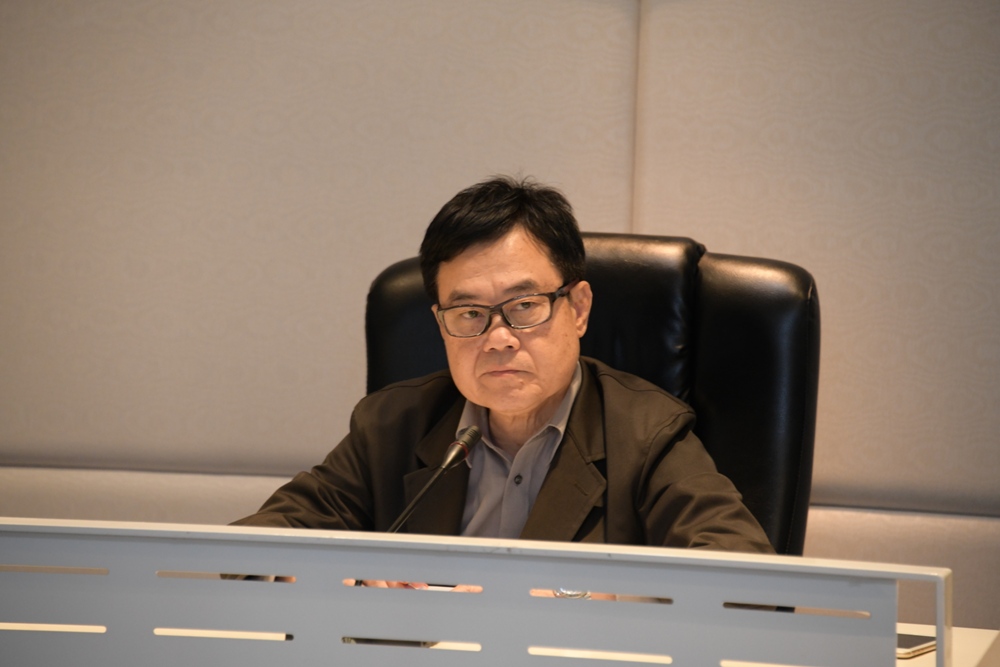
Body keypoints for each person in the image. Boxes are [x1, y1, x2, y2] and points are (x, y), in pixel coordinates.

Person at [233, 176, 774, 555]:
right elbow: (252, 548)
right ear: (440, 323)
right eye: (469, 313)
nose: (497, 339)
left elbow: (740, 574)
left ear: (578, 308)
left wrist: (562, 596)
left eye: (524, 306)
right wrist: (341, 581)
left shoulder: (646, 436)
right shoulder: (391, 426)